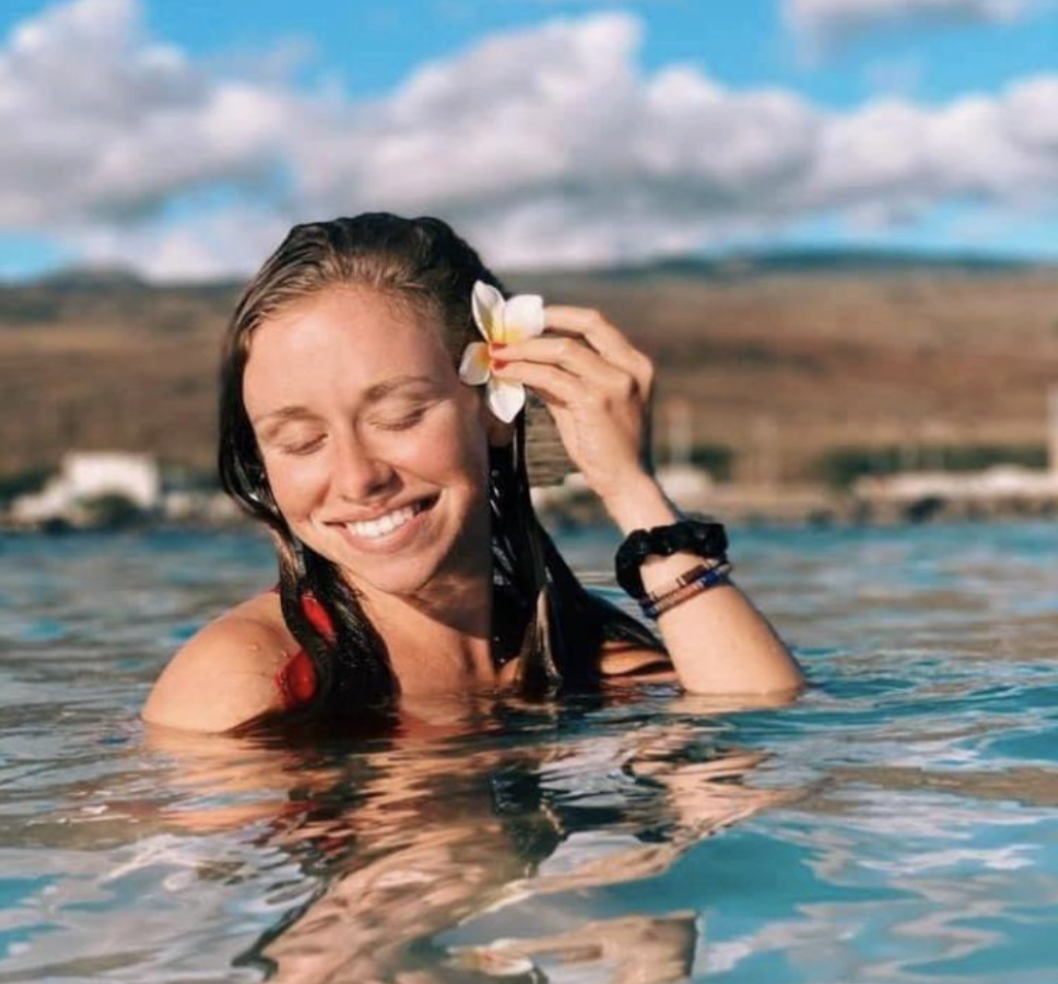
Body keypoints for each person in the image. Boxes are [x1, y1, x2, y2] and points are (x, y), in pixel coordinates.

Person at [143, 213, 803, 734]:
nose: (356, 478)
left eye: (400, 416)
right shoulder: (245, 681)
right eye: (300, 439)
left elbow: (752, 749)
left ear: (493, 409)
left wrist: (630, 488)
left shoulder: (585, 655)